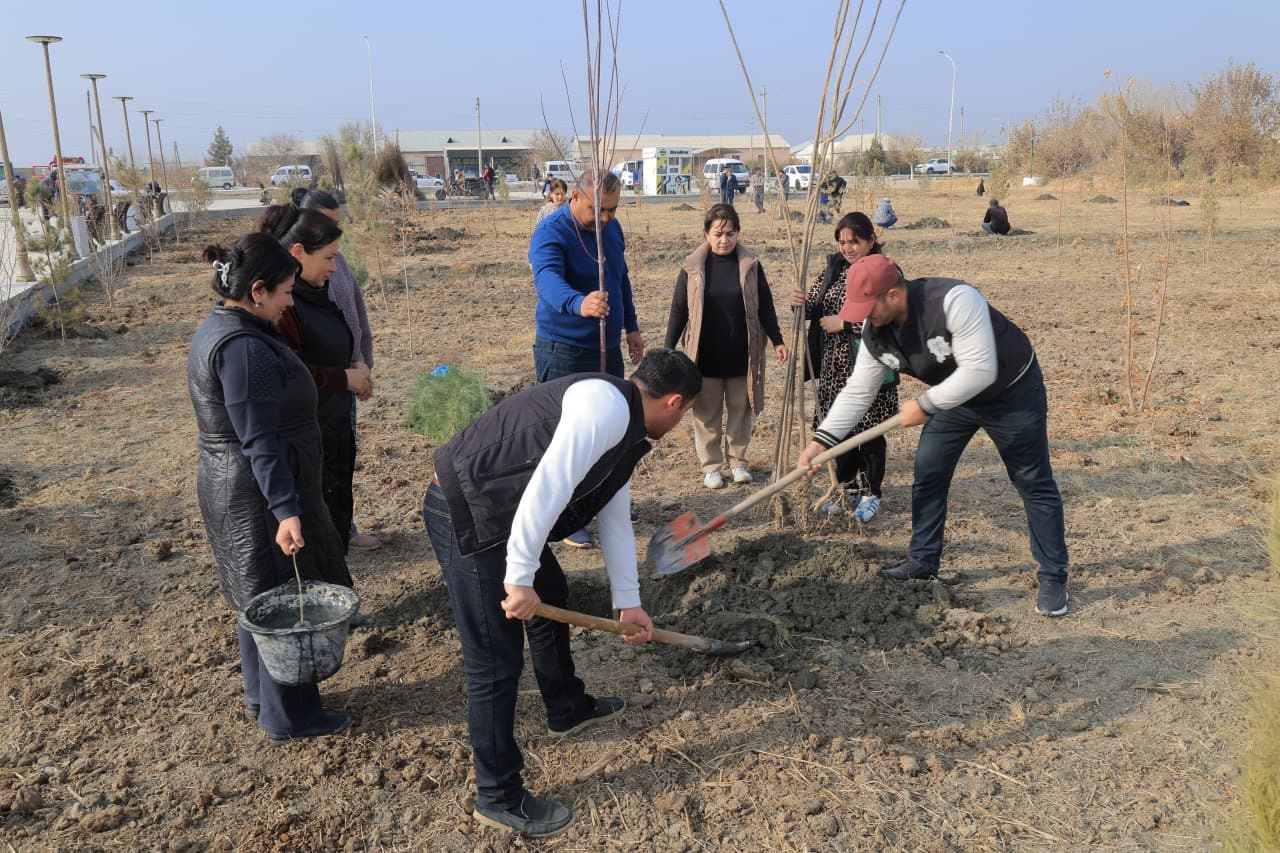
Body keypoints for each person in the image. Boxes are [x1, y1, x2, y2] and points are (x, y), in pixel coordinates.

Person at [424, 348, 701, 838]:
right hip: (468, 510)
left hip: (501, 512)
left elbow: (614, 514)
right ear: (676, 403)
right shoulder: (606, 409)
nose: (681, 422)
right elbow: (548, 486)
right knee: (493, 659)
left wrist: (628, 599)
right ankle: (497, 794)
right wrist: (518, 577)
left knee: (553, 589)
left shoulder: (624, 420)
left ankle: (566, 707)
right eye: (686, 415)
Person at [797, 254, 1070, 617]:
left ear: (892, 295)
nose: (863, 316)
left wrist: (926, 404)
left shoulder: (954, 301)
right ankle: (923, 562)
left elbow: (981, 369)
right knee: (929, 471)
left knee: (1031, 480)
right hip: (952, 396)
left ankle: (1053, 576)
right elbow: (859, 390)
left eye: (868, 306)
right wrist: (822, 441)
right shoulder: (874, 331)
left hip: (1009, 391)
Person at [188, 233, 353, 744]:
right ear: (257, 291)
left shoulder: (223, 327)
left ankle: (262, 695)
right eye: (283, 291)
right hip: (256, 488)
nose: (289, 301)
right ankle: (292, 715)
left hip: (238, 481)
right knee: (281, 594)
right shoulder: (244, 350)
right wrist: (285, 509)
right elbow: (258, 436)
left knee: (255, 589)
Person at [529, 170, 644, 547]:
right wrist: (579, 303)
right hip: (564, 349)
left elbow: (620, 279)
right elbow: (547, 280)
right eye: (600, 210)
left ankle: (606, 502)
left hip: (606, 348)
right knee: (565, 437)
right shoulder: (551, 232)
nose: (607, 218)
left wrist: (631, 327)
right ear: (574, 196)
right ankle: (564, 517)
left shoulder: (612, 229)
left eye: (613, 210)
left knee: (612, 427)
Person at [260, 204, 372, 561]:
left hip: (332, 427)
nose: (335, 268)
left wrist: (355, 361)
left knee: (335, 517)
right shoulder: (283, 306)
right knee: (317, 528)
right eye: (328, 258)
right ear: (297, 253)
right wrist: (345, 378)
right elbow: (287, 372)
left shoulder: (315, 290)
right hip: (308, 437)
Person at [665, 203, 787, 489]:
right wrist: (669, 349)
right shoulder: (692, 267)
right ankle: (711, 467)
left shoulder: (750, 265)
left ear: (738, 233)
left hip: (741, 355)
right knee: (706, 414)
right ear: (706, 233)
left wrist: (778, 340)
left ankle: (738, 462)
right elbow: (678, 310)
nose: (724, 240)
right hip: (704, 355)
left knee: (740, 411)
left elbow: (765, 306)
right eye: (718, 233)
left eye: (730, 233)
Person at [789, 212, 897, 519]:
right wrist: (800, 301)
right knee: (841, 431)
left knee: (870, 432)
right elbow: (813, 305)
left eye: (854, 242)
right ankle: (847, 489)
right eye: (842, 242)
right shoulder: (833, 270)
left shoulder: (883, 271)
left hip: (870, 364)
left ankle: (871, 493)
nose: (847, 248)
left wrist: (845, 324)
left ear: (871, 241)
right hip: (834, 368)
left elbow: (887, 317)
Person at [296, 188, 381, 551]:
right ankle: (326, 538)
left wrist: (362, 362)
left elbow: (355, 313)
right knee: (318, 471)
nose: (334, 238)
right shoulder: (290, 294)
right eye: (326, 227)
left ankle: (343, 529)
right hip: (320, 392)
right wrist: (345, 376)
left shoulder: (337, 262)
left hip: (346, 378)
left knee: (341, 462)